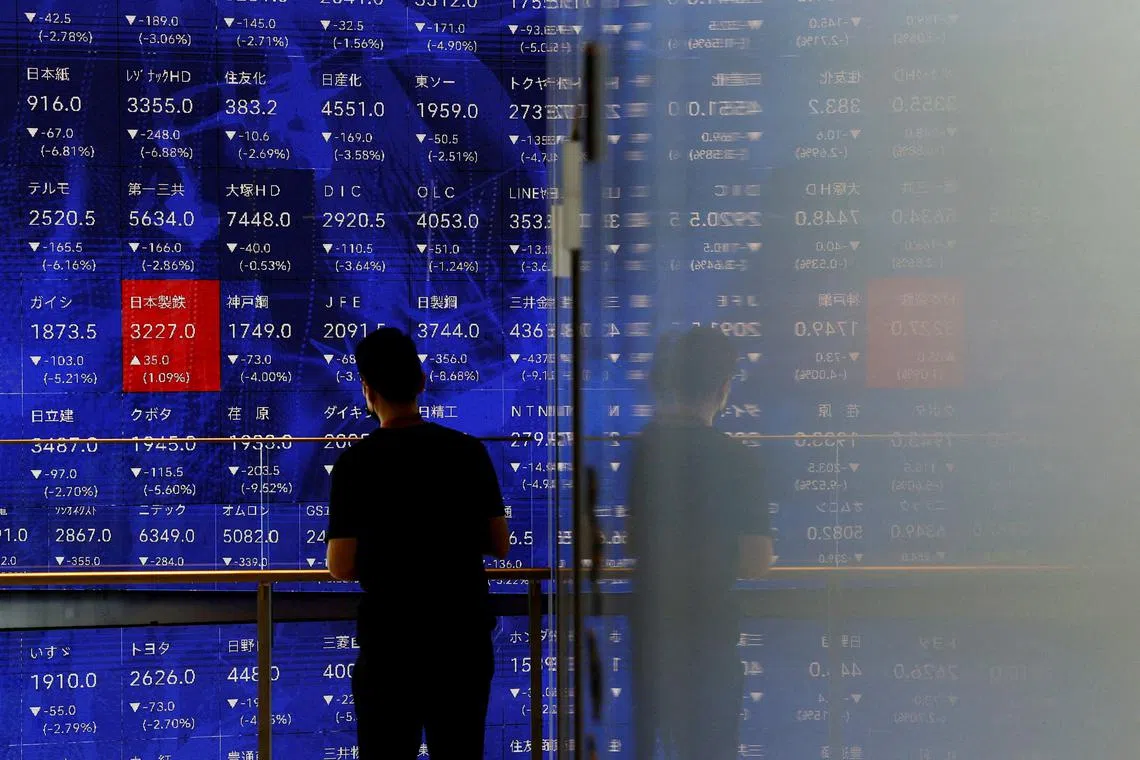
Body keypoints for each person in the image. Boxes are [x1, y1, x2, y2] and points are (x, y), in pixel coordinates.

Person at [325, 327, 510, 759]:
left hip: (391, 645)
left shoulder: (355, 463)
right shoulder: (468, 452)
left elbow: (340, 564)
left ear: (367, 390)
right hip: (462, 642)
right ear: (421, 381)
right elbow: (500, 544)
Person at [628, 327, 775, 760]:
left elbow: (635, 539)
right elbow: (756, 561)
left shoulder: (647, 448)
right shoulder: (739, 459)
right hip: (709, 635)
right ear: (724, 387)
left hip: (652, 631)